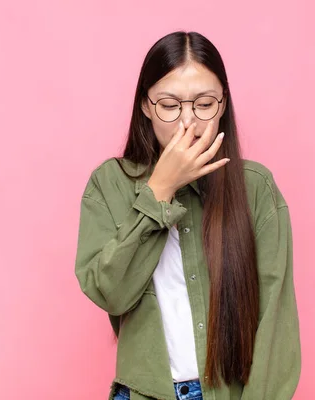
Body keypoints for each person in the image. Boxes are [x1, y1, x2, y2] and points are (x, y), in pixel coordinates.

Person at [75, 31, 301, 400]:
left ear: (223, 102)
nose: (187, 121)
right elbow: (111, 294)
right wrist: (159, 191)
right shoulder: (109, 185)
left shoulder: (256, 188)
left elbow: (276, 323)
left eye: (204, 103)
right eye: (169, 104)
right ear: (145, 105)